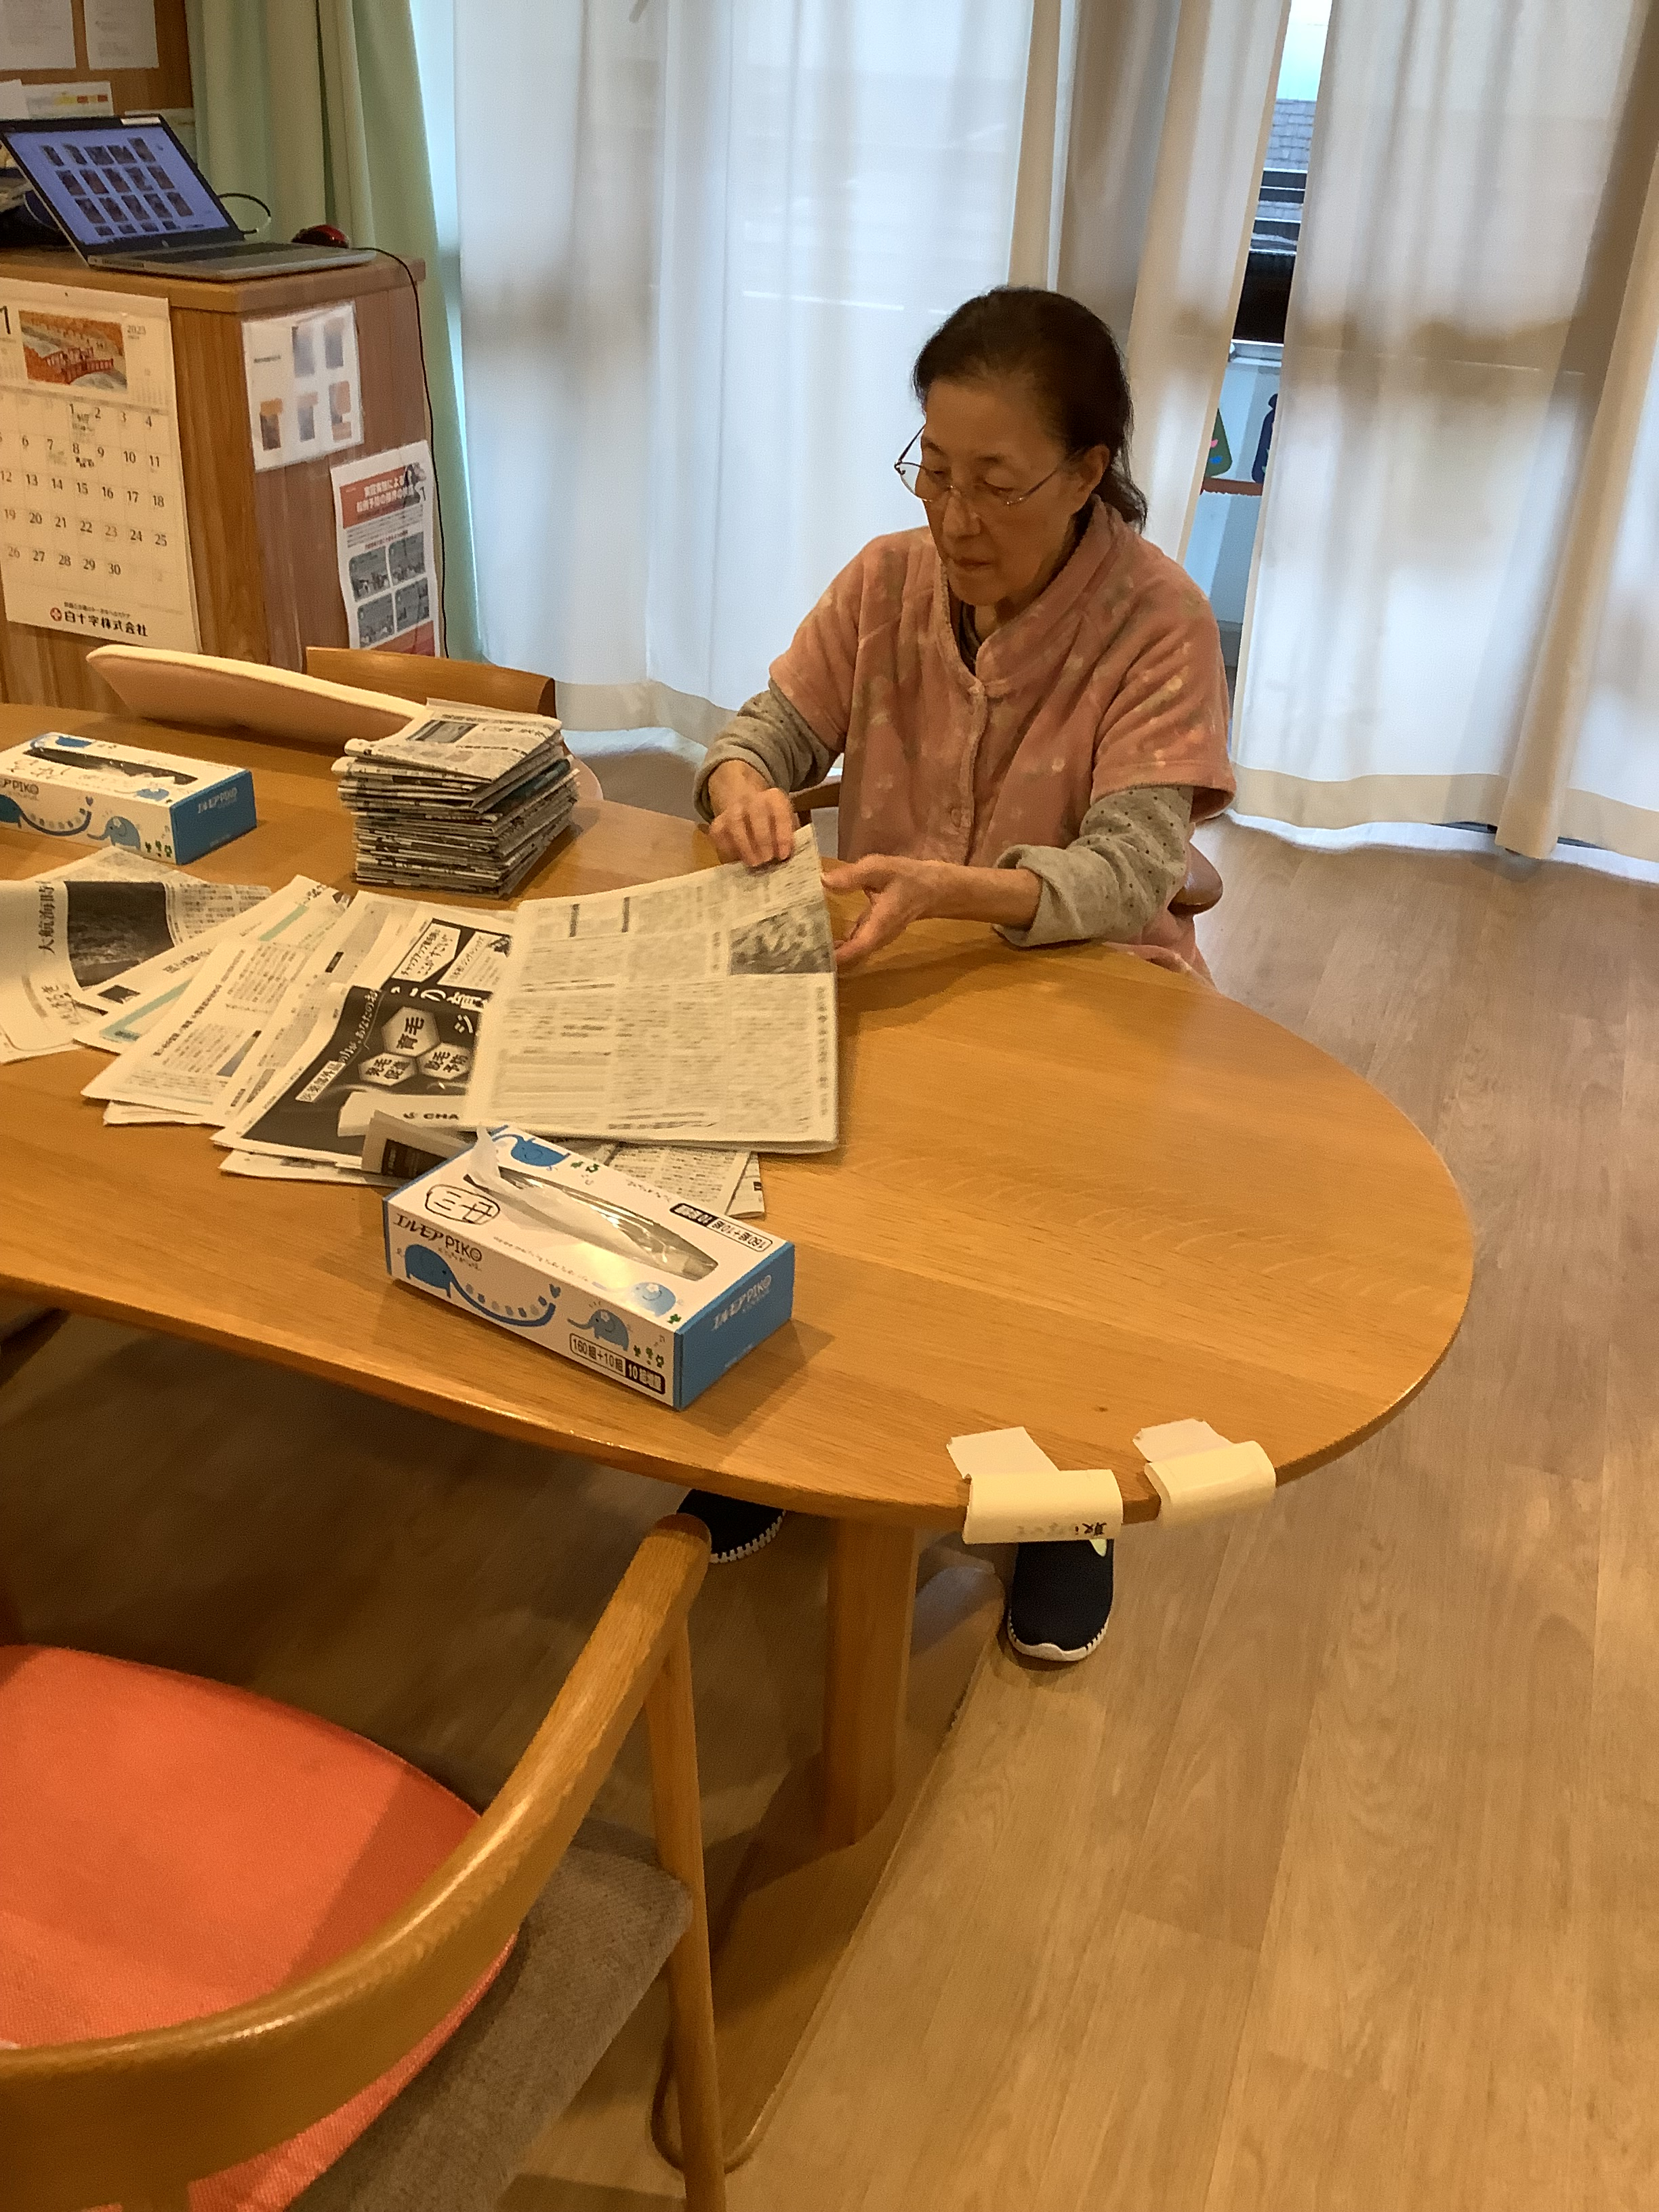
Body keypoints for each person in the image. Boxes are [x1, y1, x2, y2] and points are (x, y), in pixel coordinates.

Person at [680, 286, 1234, 1665]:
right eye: (934, 470)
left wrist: (957, 890)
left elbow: (1129, 869)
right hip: (893, 951)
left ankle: (1068, 1498)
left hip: (1089, 985)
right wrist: (743, 783)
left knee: (1054, 1243)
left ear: (1089, 471)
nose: (956, 517)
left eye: (997, 482)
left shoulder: (1159, 618)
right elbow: (768, 730)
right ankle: (789, 1441)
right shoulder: (886, 580)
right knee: (805, 1180)